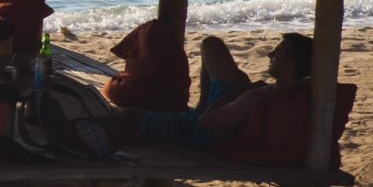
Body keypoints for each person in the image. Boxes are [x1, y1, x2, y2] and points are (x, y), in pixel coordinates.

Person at [121, 31, 313, 151]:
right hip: (220, 111)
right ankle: (203, 102)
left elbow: (207, 121)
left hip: (193, 132)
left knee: (128, 117)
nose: (271, 55)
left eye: (277, 53)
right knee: (211, 44)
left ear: (289, 65)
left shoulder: (258, 96)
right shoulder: (289, 91)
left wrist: (242, 89)